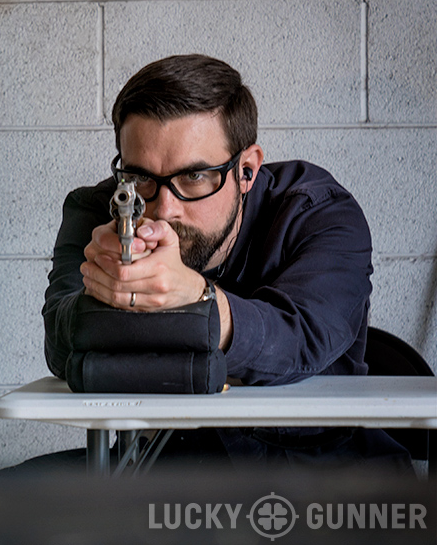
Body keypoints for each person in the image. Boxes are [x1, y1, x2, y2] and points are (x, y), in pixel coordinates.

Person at [23, 54, 411, 471]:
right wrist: (106, 287)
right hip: (162, 465)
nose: (164, 209)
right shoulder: (101, 210)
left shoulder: (319, 212)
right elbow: (61, 345)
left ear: (247, 170)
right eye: (141, 178)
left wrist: (195, 299)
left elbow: (301, 337)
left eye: (194, 177)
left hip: (320, 471)